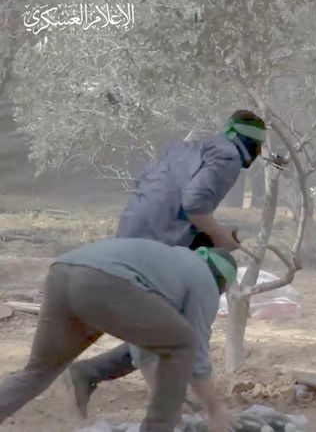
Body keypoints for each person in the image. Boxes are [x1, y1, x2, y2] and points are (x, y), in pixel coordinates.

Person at [65, 109, 267, 418]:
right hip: (155, 240)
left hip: (137, 231)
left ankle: (97, 373)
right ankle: (163, 396)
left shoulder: (195, 149)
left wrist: (215, 234)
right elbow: (195, 204)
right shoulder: (228, 157)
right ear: (252, 143)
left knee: (160, 322)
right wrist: (220, 236)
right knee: (173, 323)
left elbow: (173, 199)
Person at [0, 238, 237, 432]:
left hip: (62, 272)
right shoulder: (204, 280)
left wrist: (167, 402)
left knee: (38, 372)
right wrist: (214, 409)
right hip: (103, 280)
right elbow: (193, 351)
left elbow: (144, 349)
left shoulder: (169, 269)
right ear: (222, 284)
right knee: (185, 342)